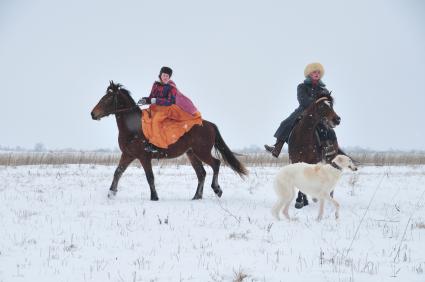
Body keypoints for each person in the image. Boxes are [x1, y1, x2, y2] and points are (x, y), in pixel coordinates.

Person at [265, 62, 336, 157]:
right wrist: (316, 104)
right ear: (309, 74)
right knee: (286, 123)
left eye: (318, 72)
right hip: (302, 111)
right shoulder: (302, 86)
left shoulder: (324, 90)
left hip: (319, 114)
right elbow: (303, 100)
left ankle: (328, 148)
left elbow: (327, 104)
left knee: (327, 129)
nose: (317, 74)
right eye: (314, 72)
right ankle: (277, 148)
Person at [138, 67, 202, 153]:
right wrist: (145, 100)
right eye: (164, 75)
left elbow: (169, 101)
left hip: (168, 108)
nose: (165, 77)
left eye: (167, 76)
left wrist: (154, 100)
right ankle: (149, 140)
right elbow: (151, 97)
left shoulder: (171, 87)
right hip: (155, 107)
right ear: (160, 75)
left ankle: (158, 145)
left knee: (156, 120)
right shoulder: (155, 85)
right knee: (145, 116)